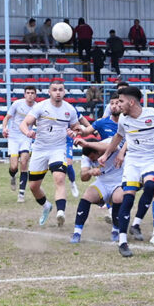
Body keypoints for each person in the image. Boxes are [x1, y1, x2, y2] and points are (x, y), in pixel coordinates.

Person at [98, 86, 154, 257]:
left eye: (121, 101)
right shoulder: (123, 120)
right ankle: (123, 241)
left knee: (150, 185)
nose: (118, 105)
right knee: (128, 197)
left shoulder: (153, 114)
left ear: (131, 102)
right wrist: (106, 154)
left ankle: (137, 222)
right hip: (133, 161)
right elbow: (118, 136)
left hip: (152, 160)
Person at [20, 79, 91, 227]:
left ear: (64, 92)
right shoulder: (41, 107)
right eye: (55, 89)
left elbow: (78, 128)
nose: (58, 92)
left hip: (58, 149)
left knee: (59, 179)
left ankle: (61, 212)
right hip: (39, 149)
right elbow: (24, 123)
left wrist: (75, 132)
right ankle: (46, 206)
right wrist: (28, 132)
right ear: (49, 92)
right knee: (33, 186)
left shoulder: (70, 109)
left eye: (60, 89)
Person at [69, 132, 124, 244]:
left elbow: (110, 147)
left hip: (119, 181)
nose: (93, 161)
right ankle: (77, 232)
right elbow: (83, 177)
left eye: (94, 158)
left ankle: (115, 230)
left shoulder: (108, 142)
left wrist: (88, 145)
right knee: (87, 196)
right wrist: (90, 171)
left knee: (118, 198)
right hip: (102, 182)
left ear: (97, 151)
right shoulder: (87, 156)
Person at [2, 86, 38, 202]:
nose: (30, 95)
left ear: (35, 95)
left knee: (24, 162)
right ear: (24, 94)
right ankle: (13, 176)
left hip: (26, 137)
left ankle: (21, 194)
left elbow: (39, 122)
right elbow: (6, 118)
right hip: (13, 137)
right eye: (28, 93)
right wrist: (4, 128)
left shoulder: (37, 107)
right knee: (13, 166)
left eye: (32, 93)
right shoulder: (17, 104)